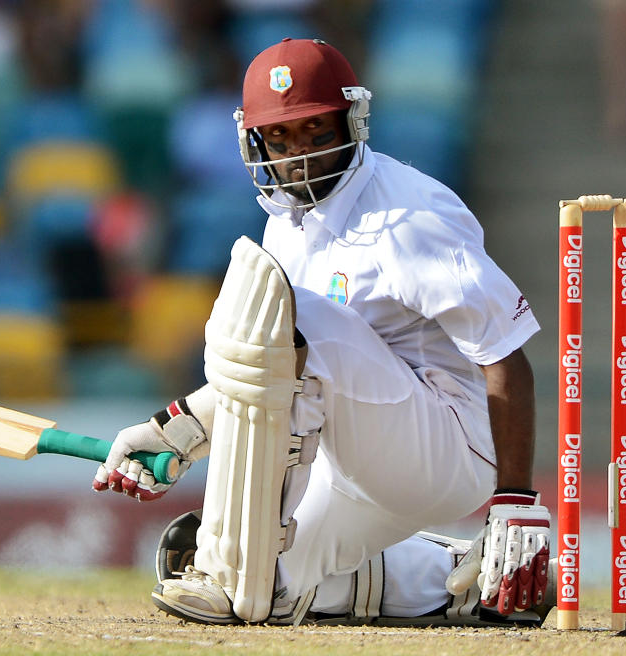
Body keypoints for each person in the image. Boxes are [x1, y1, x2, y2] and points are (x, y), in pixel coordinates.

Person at [93, 38, 552, 627]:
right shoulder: (284, 218)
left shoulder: (409, 219)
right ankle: (459, 582)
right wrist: (173, 431)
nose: (298, 155)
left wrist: (514, 500)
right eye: (280, 138)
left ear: (351, 121)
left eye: (315, 130)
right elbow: (274, 367)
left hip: (451, 447)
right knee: (278, 588)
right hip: (356, 449)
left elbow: (506, 356)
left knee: (293, 315)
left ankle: (222, 565)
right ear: (254, 139)